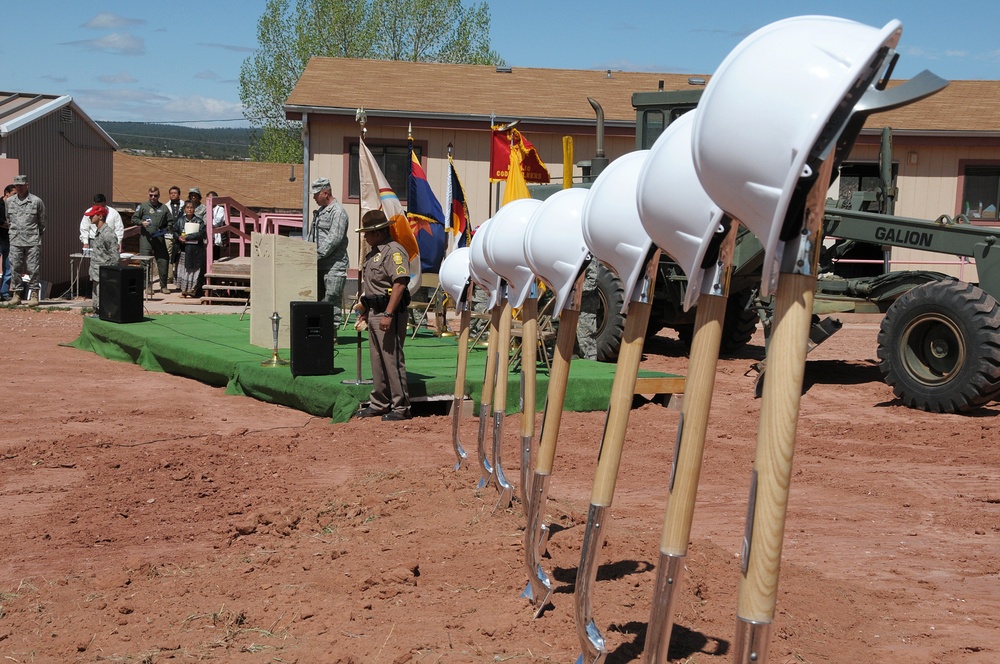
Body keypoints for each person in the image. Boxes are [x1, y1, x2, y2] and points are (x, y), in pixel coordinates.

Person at [354, 210, 412, 421]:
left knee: (392, 360)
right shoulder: (374, 254)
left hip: (389, 313)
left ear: (377, 233)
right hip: (374, 312)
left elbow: (400, 282)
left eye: (367, 233)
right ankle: (379, 402)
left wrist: (388, 312)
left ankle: (400, 407)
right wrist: (365, 312)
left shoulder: (394, 251)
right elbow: (372, 288)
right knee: (377, 361)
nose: (365, 237)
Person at [307, 177, 350, 323]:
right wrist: (305, 252)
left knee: (331, 301)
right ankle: (320, 333)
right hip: (319, 265)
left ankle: (331, 336)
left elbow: (334, 239)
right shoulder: (320, 212)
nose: (313, 197)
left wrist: (314, 255)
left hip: (334, 266)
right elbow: (312, 236)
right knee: (318, 301)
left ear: (325, 193)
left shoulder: (338, 212)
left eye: (316, 194)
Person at [5, 174, 46, 306]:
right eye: (17, 186)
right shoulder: (10, 202)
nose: (20, 188)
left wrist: (35, 235)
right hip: (16, 240)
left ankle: (34, 293)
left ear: (27, 185)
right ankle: (17, 294)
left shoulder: (36, 201)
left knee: (33, 268)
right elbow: (8, 219)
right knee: (15, 267)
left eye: (22, 185)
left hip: (32, 240)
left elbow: (42, 222)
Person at [132, 186, 172, 295]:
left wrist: (166, 229)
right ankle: (147, 286)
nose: (153, 197)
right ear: (148, 195)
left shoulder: (163, 208)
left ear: (159, 196)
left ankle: (163, 286)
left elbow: (170, 221)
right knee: (145, 261)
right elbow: (134, 219)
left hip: (159, 237)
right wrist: (141, 222)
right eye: (151, 195)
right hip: (146, 238)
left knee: (163, 260)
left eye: (155, 195)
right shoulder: (143, 206)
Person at [84, 204, 120, 314]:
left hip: (104, 272)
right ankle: (96, 311)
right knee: (96, 296)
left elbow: (115, 256)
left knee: (103, 298)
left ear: (100, 216)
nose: (90, 218)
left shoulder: (107, 233)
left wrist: (111, 273)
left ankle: (101, 313)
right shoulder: (98, 232)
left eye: (92, 216)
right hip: (96, 272)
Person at [174, 200, 206, 298]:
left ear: (194, 209)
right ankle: (184, 291)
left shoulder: (199, 221)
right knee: (183, 271)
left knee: (193, 271)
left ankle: (193, 291)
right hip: (183, 250)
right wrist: (178, 237)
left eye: (191, 208)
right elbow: (175, 231)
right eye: (187, 208)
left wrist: (188, 237)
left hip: (195, 250)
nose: (189, 209)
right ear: (184, 209)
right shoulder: (180, 220)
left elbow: (201, 234)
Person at [164, 185, 185, 282]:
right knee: (168, 254)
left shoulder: (184, 205)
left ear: (179, 194)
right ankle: (170, 276)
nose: (173, 195)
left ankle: (179, 275)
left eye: (175, 193)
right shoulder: (165, 206)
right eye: (171, 193)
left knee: (180, 255)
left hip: (181, 234)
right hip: (169, 234)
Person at [0, 184, 14, 302]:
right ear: (7, 194)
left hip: (9, 240)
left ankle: (4, 293)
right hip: (0, 239)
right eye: (13, 194)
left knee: (8, 268)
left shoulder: (14, 206)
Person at [206, 191, 227, 260]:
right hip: (206, 232)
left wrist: (208, 222)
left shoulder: (220, 209)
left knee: (215, 250)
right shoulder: (205, 208)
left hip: (216, 232)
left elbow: (217, 222)